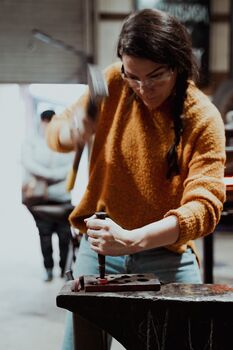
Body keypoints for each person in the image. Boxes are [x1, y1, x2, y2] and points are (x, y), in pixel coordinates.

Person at [46, 8, 226, 349]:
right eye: (134, 76)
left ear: (178, 64)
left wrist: (133, 239)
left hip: (166, 254)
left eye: (155, 76)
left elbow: (204, 207)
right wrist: (72, 130)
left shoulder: (202, 118)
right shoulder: (115, 84)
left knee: (189, 339)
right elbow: (57, 129)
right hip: (97, 247)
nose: (143, 88)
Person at [21, 110, 74, 282]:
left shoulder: (65, 141)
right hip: (40, 199)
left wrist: (47, 175)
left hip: (63, 198)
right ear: (42, 122)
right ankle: (48, 268)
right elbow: (28, 163)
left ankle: (63, 270)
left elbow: (70, 167)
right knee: (44, 236)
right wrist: (52, 174)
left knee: (64, 236)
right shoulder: (32, 141)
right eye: (46, 122)